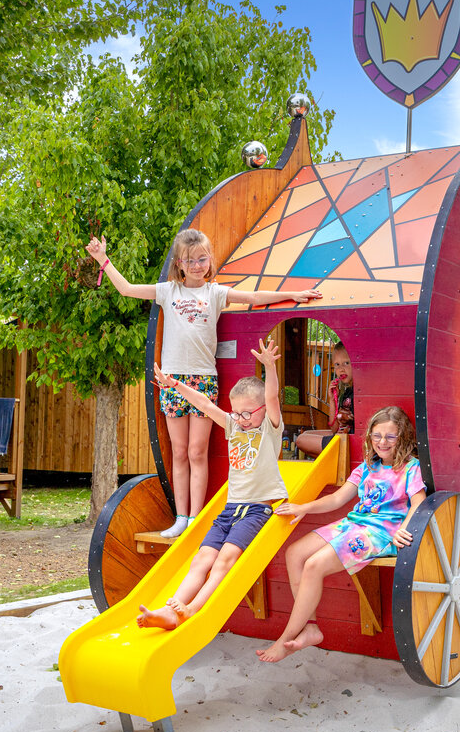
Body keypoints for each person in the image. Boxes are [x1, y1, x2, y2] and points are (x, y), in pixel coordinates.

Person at [86, 230, 320, 538]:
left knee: (198, 452)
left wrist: (292, 295)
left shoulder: (215, 293)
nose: (196, 265)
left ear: (209, 261)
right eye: (189, 260)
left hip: (202, 379)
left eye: (202, 259)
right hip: (171, 380)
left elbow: (252, 298)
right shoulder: (168, 291)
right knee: (179, 452)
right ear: (179, 264)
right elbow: (128, 289)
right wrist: (103, 260)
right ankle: (181, 517)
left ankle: (196, 517)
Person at [137, 337, 288, 629]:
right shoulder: (233, 425)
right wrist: (175, 385)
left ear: (260, 411)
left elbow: (270, 398)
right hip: (231, 509)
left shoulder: (269, 428)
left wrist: (269, 367)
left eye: (248, 413)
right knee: (202, 559)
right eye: (237, 413)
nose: (242, 419)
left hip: (257, 510)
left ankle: (192, 609)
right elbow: (204, 403)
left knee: (226, 558)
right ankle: (171, 610)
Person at [257, 406, 425, 663]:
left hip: (381, 533)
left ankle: (285, 639)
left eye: (390, 437)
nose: (382, 442)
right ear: (370, 436)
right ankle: (310, 626)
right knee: (294, 553)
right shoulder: (367, 467)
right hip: (354, 523)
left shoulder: (411, 468)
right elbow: (337, 499)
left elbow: (418, 501)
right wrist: (305, 508)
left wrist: (406, 528)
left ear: (402, 437)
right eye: (377, 435)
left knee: (314, 565)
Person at [295, 342, 354, 457]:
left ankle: (333, 462)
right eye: (337, 365)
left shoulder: (358, 393)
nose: (341, 369)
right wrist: (332, 399)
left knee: (301, 440)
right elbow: (334, 428)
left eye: (346, 363)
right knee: (306, 433)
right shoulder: (346, 392)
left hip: (347, 441)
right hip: (340, 435)